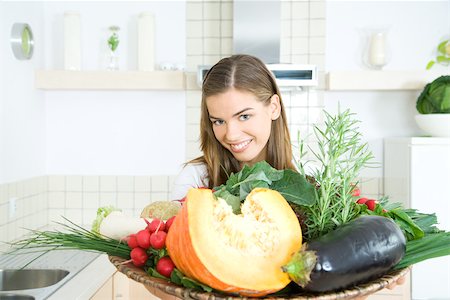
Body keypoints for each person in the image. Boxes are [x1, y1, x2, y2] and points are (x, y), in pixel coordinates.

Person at [170, 54, 296, 200]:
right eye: (219, 121)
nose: (231, 135)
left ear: (273, 108)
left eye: (244, 117)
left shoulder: (308, 174)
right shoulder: (194, 178)